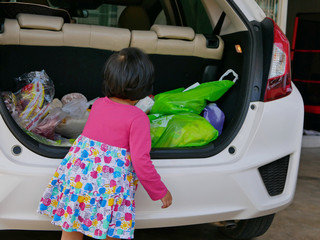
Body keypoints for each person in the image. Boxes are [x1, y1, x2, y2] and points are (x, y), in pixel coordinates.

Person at [37, 47, 172, 240]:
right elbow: (141, 161)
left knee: (72, 224)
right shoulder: (138, 118)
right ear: (144, 86)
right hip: (108, 190)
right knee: (112, 228)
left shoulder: (99, 104)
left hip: (78, 180)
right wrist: (159, 190)